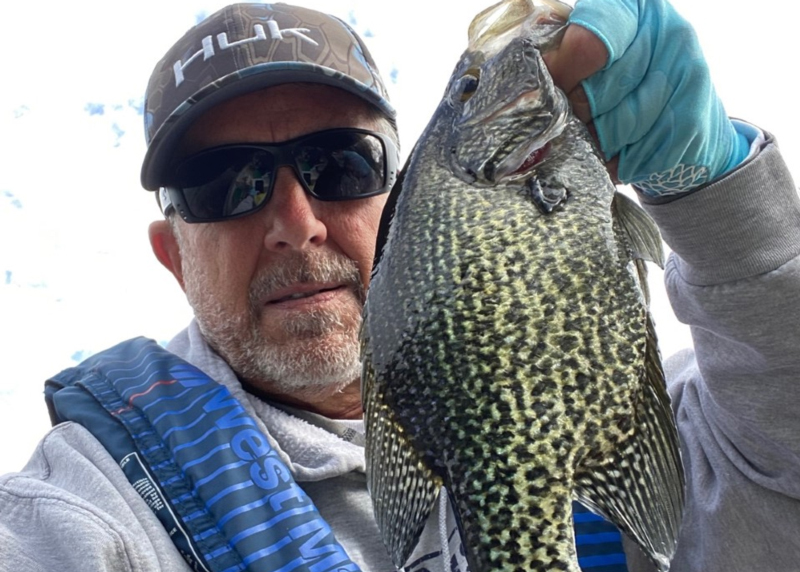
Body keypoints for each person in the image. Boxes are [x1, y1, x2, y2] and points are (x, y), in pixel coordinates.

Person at [1, 0, 798, 570]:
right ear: (174, 258)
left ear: (400, 201)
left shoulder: (655, 410)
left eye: (341, 164)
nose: (296, 223)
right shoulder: (89, 509)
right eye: (223, 183)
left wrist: (715, 193)